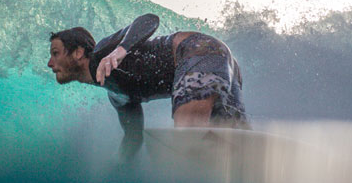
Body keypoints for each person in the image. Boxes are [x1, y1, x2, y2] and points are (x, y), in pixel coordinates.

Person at [47, 13, 249, 161]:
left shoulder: (103, 52)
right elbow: (134, 139)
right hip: (221, 63)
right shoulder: (118, 96)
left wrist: (120, 50)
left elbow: (149, 19)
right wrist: (117, 166)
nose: (50, 63)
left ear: (78, 53)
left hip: (196, 50)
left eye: (55, 53)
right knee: (238, 139)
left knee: (188, 131)